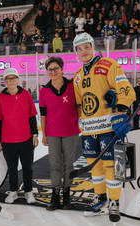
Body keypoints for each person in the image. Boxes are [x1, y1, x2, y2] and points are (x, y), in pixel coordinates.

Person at [73, 33, 136, 223]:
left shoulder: (109, 64)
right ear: (76, 52)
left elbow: (124, 88)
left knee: (112, 167)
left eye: (86, 47)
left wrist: (121, 110)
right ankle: (100, 199)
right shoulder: (77, 76)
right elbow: (78, 104)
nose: (84, 51)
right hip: (89, 131)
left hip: (109, 128)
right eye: (79, 49)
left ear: (93, 47)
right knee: (95, 168)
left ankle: (114, 202)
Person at [39, 56, 80, 211]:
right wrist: (44, 134)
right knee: (54, 165)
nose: (53, 72)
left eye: (56, 68)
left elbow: (79, 106)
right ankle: (55, 195)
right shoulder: (44, 91)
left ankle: (67, 194)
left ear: (62, 69)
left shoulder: (72, 86)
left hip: (70, 132)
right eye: (50, 69)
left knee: (68, 164)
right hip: (53, 134)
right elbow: (43, 115)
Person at [0, 68, 39, 204]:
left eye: (14, 78)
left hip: (26, 139)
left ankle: (28, 192)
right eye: (8, 79)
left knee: (27, 168)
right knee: (12, 169)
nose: (11, 81)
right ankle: (13, 191)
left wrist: (35, 134)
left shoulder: (26, 95)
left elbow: (32, 116)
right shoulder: (0, 98)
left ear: (18, 80)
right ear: (5, 81)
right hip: (8, 140)